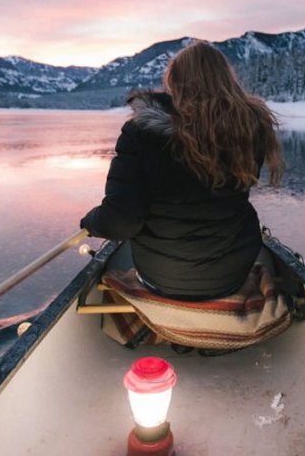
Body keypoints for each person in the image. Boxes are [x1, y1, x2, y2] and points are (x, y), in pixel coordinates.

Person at [81, 40, 284, 300]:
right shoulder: (247, 131)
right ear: (226, 80)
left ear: (174, 84)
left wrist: (90, 222)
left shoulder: (141, 134)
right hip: (231, 276)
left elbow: (121, 222)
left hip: (163, 279)